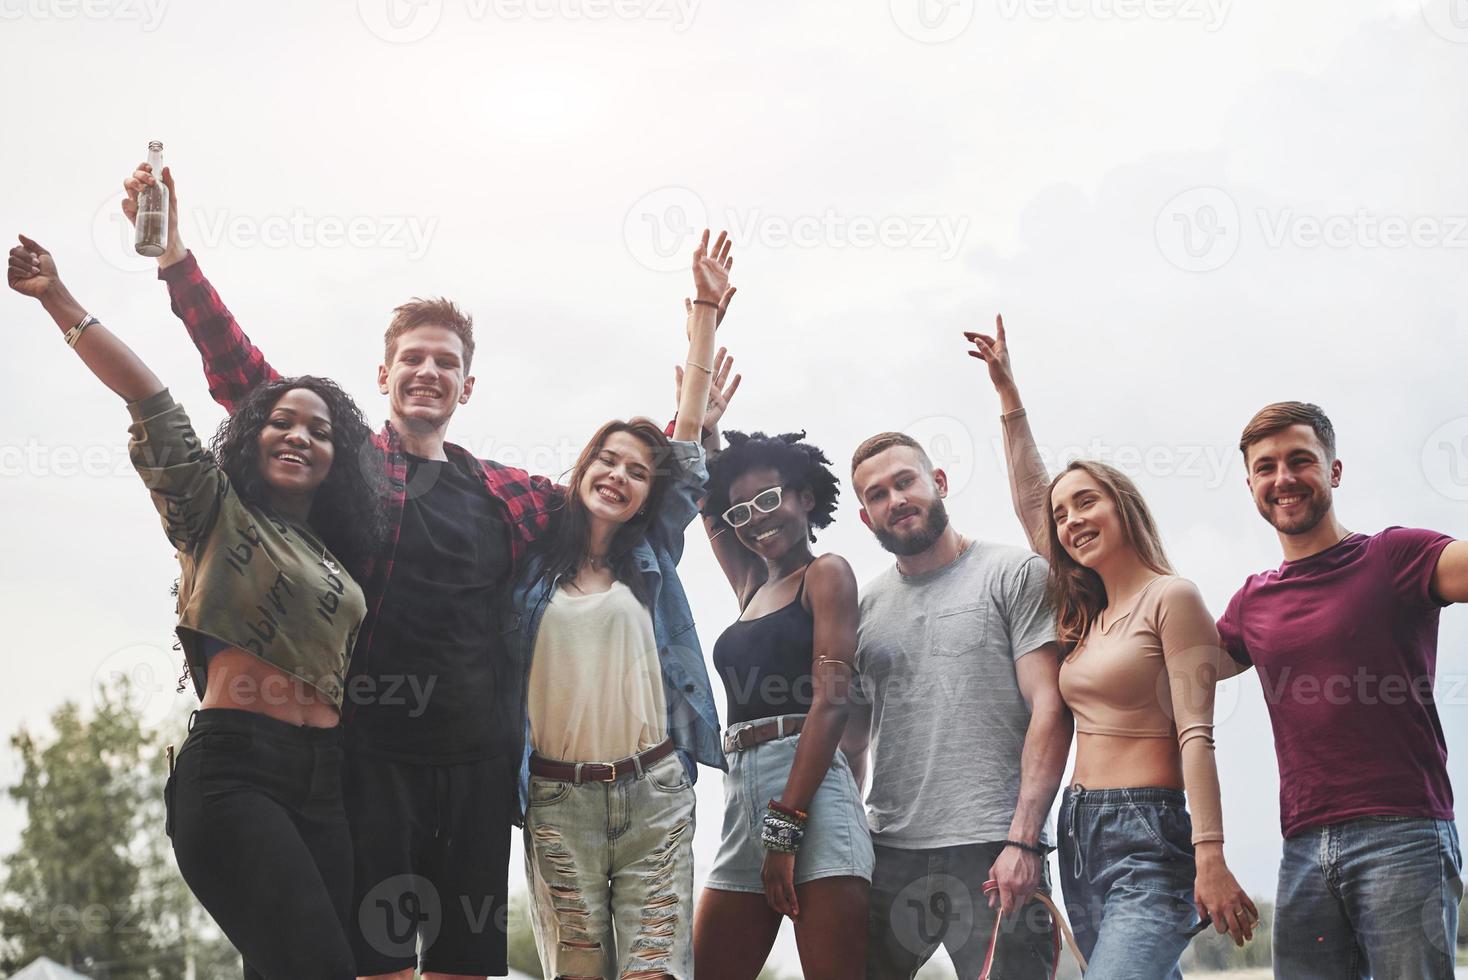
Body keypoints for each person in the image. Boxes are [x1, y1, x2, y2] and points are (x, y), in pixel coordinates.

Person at [120, 161, 578, 980]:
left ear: (466, 385)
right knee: (366, 965)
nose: (428, 372)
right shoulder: (350, 465)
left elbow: (613, 497)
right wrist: (176, 258)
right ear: (385, 375)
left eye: (445, 362)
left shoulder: (513, 495)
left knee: (469, 967)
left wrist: (693, 421)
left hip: (477, 764)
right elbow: (246, 379)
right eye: (413, 359)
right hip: (364, 760)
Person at [8, 234, 386, 979]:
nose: (300, 435)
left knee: (296, 966)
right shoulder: (211, 510)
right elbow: (148, 394)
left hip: (324, 782)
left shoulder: (338, 560)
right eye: (282, 420)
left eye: (320, 430)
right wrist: (58, 297)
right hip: (237, 774)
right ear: (252, 435)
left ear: (339, 461)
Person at [967, 313, 1255, 976]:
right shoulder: (1085, 613)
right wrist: (1009, 400)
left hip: (1149, 837)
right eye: (1063, 514)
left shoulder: (1171, 599)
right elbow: (1030, 501)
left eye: (1086, 502)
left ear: (1122, 505)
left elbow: (1196, 735)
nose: (1070, 521)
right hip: (1079, 831)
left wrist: (1209, 854)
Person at [504, 230, 734, 980]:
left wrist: (703, 314)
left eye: (637, 471)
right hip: (558, 800)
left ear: (646, 495)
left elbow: (690, 449)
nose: (619, 474)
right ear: (582, 471)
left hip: (655, 793)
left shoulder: (651, 556)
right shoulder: (530, 570)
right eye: (607, 459)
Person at [1219, 399, 1468, 979]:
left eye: (1300, 460)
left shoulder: (1395, 556)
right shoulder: (1252, 601)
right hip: (1303, 848)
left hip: (1402, 835)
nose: (1283, 478)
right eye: (1266, 466)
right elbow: (1161, 670)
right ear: (1251, 482)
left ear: (1333, 469)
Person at [845, 416, 1071, 975]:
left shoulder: (1013, 572)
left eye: (905, 482)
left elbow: (1051, 707)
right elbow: (851, 746)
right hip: (890, 852)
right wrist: (850, 849)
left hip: (995, 848)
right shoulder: (863, 609)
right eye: (878, 495)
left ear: (938, 482)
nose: (895, 500)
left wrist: (1024, 843)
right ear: (864, 515)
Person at [686, 351, 873, 979]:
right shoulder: (749, 588)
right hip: (741, 788)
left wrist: (784, 827)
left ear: (804, 495)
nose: (754, 520)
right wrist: (704, 425)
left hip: (809, 793)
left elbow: (833, 702)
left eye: (768, 499)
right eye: (743, 512)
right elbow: (709, 508)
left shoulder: (827, 575)